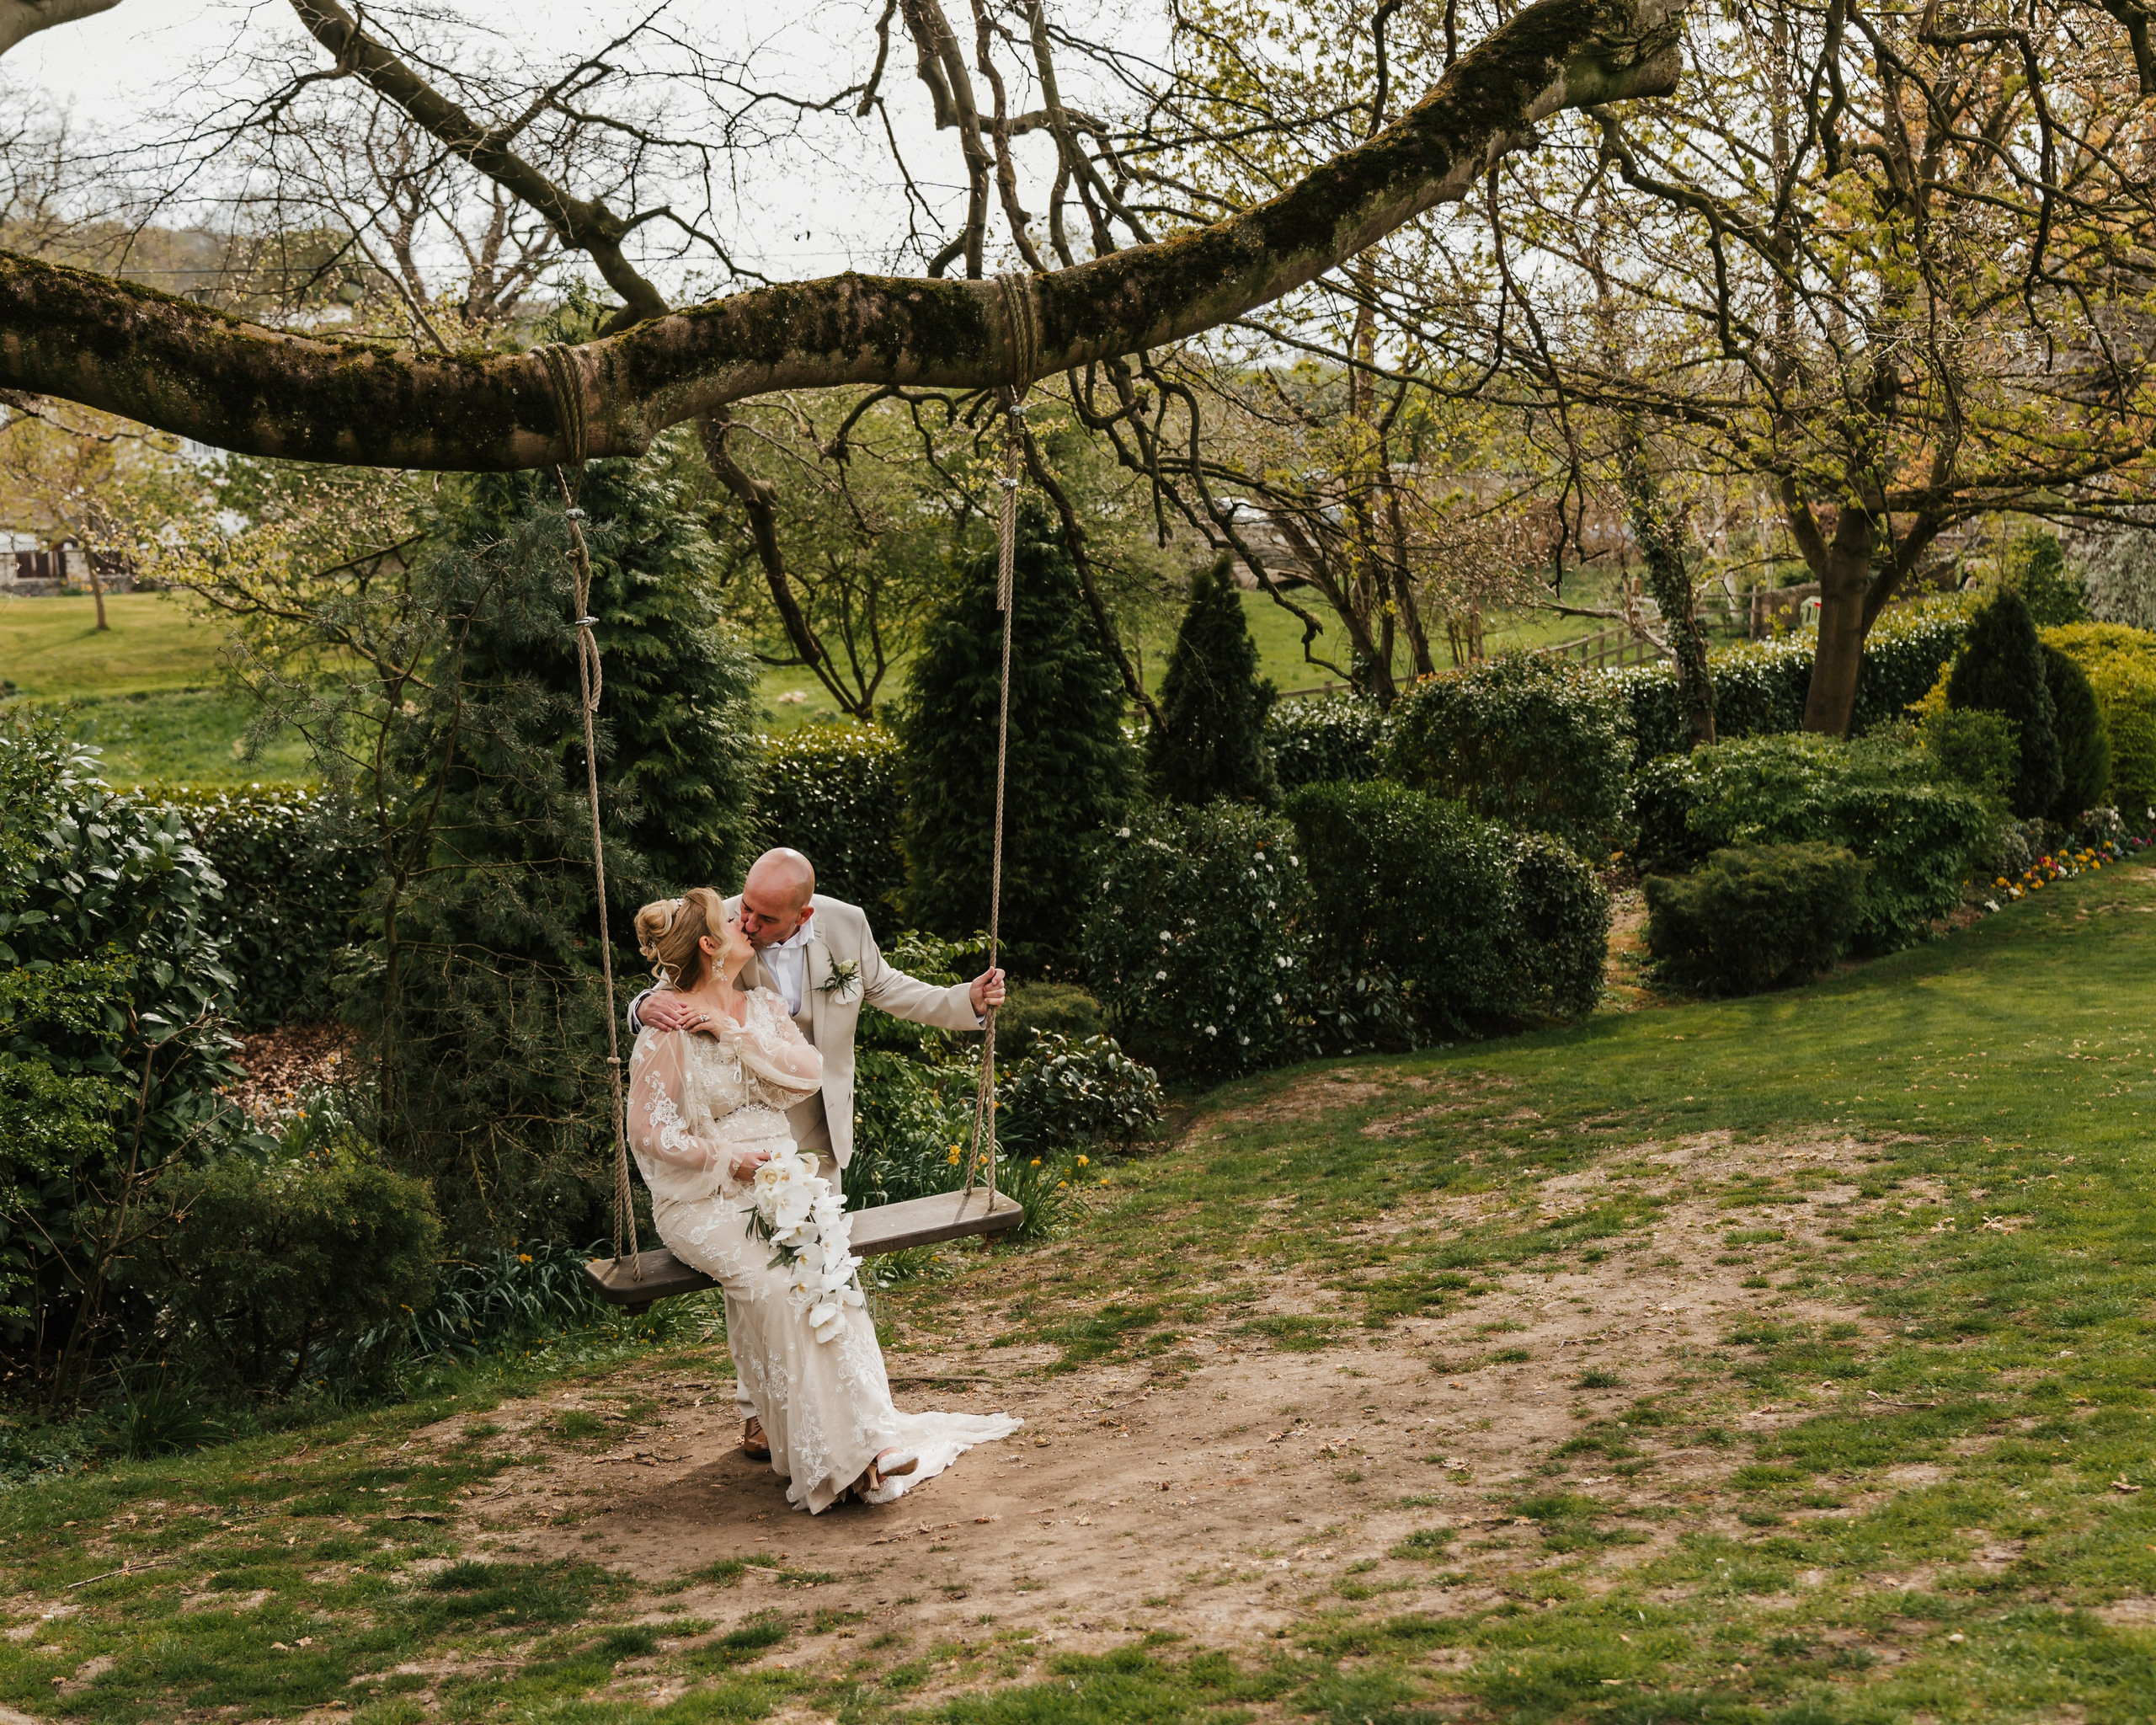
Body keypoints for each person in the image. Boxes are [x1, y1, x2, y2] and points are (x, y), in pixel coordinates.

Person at [626, 888, 1019, 1513]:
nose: (747, 923)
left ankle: (871, 1443)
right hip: (706, 1194)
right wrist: (726, 1158)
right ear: (712, 940)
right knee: (775, 1287)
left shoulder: (778, 985)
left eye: (760, 917)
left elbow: (816, 1064)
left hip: (787, 1171)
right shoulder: (672, 1018)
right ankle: (810, 1442)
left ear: (802, 913)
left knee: (830, 1276)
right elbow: (647, 1130)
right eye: (738, 916)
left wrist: (734, 1033)